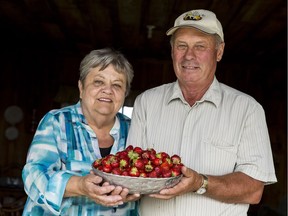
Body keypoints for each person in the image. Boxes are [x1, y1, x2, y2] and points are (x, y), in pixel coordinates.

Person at [126, 9, 277, 215]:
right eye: (181, 46)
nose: (189, 55)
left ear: (219, 51)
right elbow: (132, 173)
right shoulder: (146, 102)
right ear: (172, 52)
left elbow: (253, 189)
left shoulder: (247, 109)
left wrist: (199, 183)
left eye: (200, 46)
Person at [22, 48, 140, 215]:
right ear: (81, 87)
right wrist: (80, 186)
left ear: (125, 93)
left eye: (117, 85)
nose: (108, 90)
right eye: (98, 82)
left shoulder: (134, 128)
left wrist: (139, 191)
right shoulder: (57, 122)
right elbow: (33, 175)